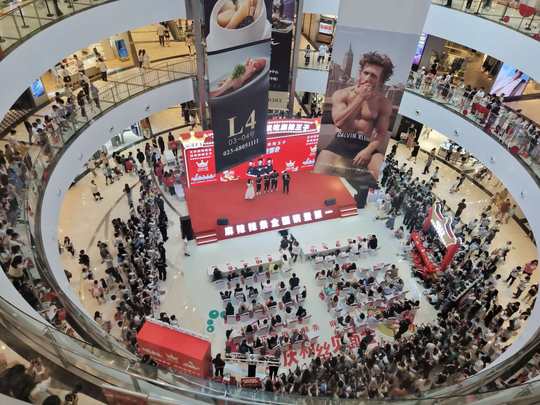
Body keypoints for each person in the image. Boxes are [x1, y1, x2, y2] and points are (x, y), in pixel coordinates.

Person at [314, 51, 395, 183]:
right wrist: (361, 97)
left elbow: (381, 133)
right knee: (319, 173)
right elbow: (339, 122)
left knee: (384, 176)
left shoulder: (383, 103)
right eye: (366, 73)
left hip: (366, 144)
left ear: (380, 80)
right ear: (360, 73)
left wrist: (367, 151)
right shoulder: (342, 94)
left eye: (374, 76)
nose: (368, 78)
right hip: (341, 141)